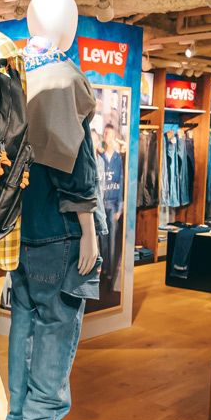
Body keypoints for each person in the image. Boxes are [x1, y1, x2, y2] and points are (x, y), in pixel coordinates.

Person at [97, 120, 126, 295]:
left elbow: (121, 182)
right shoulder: (100, 158)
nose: (107, 137)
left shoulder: (117, 159)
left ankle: (111, 274)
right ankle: (105, 270)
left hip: (113, 204)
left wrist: (120, 207)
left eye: (110, 134)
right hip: (102, 204)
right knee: (103, 240)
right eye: (106, 134)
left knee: (113, 240)